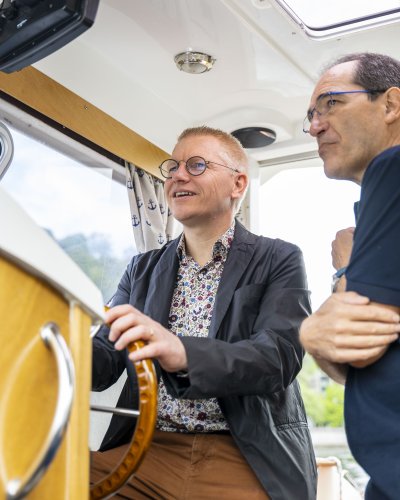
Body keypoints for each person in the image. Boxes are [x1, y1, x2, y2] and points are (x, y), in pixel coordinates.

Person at [91, 126, 317, 499]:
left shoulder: (280, 258)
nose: (178, 175)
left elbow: (279, 357)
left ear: (237, 183)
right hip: (149, 448)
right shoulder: (140, 269)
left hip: (244, 452)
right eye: (173, 167)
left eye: (196, 165)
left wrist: (182, 353)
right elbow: (103, 362)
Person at [299, 53, 400, 499]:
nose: (315, 126)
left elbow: (355, 349)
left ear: (391, 104)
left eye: (331, 103)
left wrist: (344, 268)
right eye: (311, 115)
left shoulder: (392, 168)